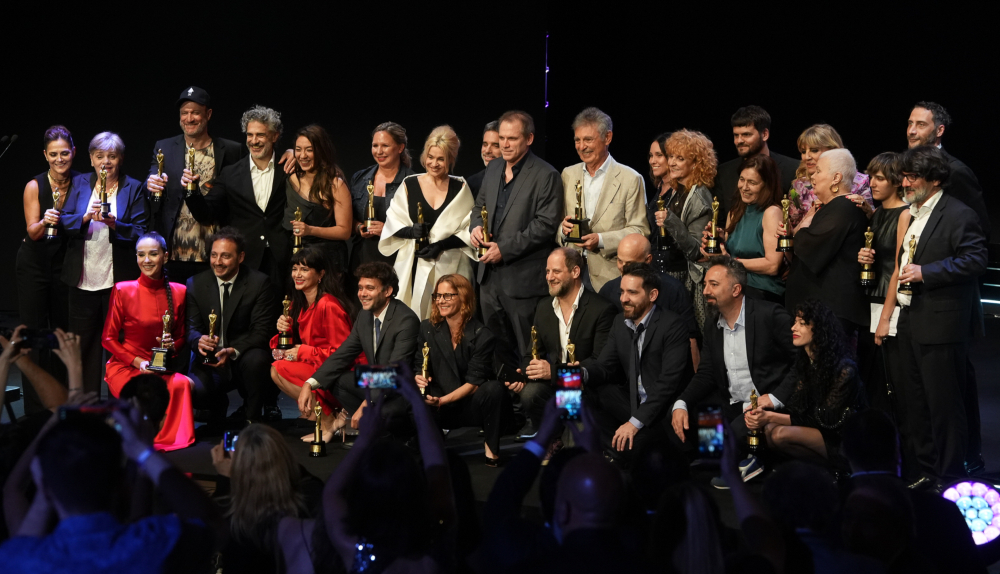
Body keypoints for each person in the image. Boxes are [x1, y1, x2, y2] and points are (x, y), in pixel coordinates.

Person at [0, 404, 222, 572]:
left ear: (45, 487)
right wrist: (143, 451)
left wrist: (46, 487)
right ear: (123, 483)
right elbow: (209, 521)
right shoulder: (156, 544)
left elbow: (15, 504)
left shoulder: (20, 560)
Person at [893, 145, 987, 483]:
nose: (904, 182)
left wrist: (926, 272)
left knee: (945, 408)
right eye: (903, 176)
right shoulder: (916, 212)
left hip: (941, 323)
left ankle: (950, 478)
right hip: (911, 320)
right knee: (916, 405)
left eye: (911, 176)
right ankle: (928, 473)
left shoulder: (958, 213)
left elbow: (976, 260)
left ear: (934, 180)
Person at [671, 257, 796, 487]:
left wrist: (776, 398)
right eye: (706, 284)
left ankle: (756, 459)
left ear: (736, 289)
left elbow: (802, 362)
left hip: (768, 402)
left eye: (714, 285)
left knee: (738, 430)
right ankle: (724, 460)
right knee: (697, 417)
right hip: (734, 402)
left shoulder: (769, 314)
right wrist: (681, 402)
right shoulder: (712, 324)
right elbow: (707, 372)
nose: (706, 290)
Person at [322, 363, 456, 573]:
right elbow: (437, 467)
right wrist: (416, 400)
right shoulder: (435, 549)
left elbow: (331, 492)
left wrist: (364, 439)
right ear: (416, 488)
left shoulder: (354, 549)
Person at [471, 110, 563, 371]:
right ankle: (508, 408)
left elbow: (545, 225)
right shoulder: (494, 167)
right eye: (502, 138)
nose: (504, 144)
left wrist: (505, 249)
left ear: (529, 139)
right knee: (497, 351)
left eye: (512, 138)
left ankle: (532, 407)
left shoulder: (546, 175)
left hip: (522, 281)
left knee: (529, 351)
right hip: (488, 279)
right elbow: (479, 207)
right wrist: (475, 227)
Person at [60, 131, 147, 394]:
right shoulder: (79, 184)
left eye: (112, 156)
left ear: (120, 159)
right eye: (100, 156)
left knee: (119, 345)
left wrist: (114, 224)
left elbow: (141, 232)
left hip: (117, 280)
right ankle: (87, 406)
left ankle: (118, 404)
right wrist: (85, 217)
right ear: (90, 159)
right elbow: (63, 221)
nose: (105, 162)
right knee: (84, 345)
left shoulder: (133, 187)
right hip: (83, 278)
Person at [580, 263, 689, 462]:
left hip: (662, 409)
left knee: (633, 454)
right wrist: (582, 373)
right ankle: (606, 447)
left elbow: (667, 385)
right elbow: (605, 366)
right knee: (584, 388)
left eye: (632, 293)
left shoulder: (673, 325)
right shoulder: (619, 323)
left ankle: (621, 451)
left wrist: (635, 422)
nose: (623, 299)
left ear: (652, 295)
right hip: (631, 403)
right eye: (622, 292)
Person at [509, 248, 616, 440]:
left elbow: (599, 362)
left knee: (574, 444)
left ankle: (569, 444)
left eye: (556, 272)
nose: (549, 277)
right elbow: (530, 355)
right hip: (557, 383)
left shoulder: (602, 309)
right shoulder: (543, 307)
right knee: (530, 393)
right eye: (547, 271)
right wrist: (525, 373)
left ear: (575, 272)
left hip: (586, 385)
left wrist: (554, 372)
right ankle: (554, 438)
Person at [144, 86, 247, 286]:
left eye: (195, 113)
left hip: (214, 254)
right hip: (174, 251)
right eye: (184, 113)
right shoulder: (163, 146)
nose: (189, 118)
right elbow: (152, 177)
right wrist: (149, 184)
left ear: (208, 114)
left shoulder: (231, 150)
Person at [298, 262, 420, 430]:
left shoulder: (406, 320)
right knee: (338, 380)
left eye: (369, 288)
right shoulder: (365, 315)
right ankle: (371, 428)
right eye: (360, 288)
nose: (362, 294)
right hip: (377, 379)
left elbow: (395, 371)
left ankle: (394, 432)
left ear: (387, 291)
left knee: (379, 410)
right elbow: (343, 354)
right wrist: (309, 384)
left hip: (401, 388)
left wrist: (367, 403)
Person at [744, 300, 865, 469]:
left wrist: (770, 416)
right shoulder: (805, 362)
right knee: (769, 430)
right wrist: (761, 416)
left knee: (779, 433)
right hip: (817, 428)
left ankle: (837, 469)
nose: (793, 328)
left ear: (819, 330)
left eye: (802, 324)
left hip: (841, 437)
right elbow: (798, 408)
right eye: (795, 322)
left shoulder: (844, 369)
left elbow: (825, 421)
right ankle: (816, 471)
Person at [102, 232, 194, 452]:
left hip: (160, 368)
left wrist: (173, 346)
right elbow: (108, 338)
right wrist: (137, 363)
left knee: (182, 383)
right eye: (141, 255)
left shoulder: (179, 291)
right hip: (126, 367)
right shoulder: (123, 290)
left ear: (166, 256)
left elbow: (181, 338)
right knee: (143, 392)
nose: (146, 260)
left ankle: (168, 440)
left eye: (153, 254)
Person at [189, 105, 290, 300]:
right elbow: (206, 213)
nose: (254, 141)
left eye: (260, 135)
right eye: (249, 135)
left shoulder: (288, 168)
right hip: (247, 261)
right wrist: (192, 191)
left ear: (275, 136)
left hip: (281, 260)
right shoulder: (230, 173)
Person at [380, 125, 476, 319]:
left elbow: (469, 228)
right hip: (414, 264)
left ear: (451, 159)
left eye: (441, 159)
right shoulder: (410, 184)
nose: (434, 164)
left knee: (449, 319)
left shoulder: (461, 187)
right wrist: (410, 232)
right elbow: (393, 222)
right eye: (430, 157)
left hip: (450, 264)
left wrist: (441, 245)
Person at [186, 227, 280, 426]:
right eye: (214, 255)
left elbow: (262, 331)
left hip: (241, 357)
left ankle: (252, 418)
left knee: (258, 360)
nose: (218, 262)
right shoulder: (195, 283)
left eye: (225, 256)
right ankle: (217, 405)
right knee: (196, 392)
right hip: (209, 359)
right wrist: (198, 341)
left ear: (241, 257)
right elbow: (191, 328)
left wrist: (232, 350)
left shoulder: (259, 283)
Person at [415, 274, 510, 465]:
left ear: (463, 297)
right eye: (438, 296)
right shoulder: (427, 328)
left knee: (494, 389)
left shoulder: (482, 335)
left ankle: (491, 451)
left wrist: (442, 401)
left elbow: (474, 383)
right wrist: (418, 378)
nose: (441, 301)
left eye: (447, 296)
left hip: (467, 405)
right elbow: (419, 364)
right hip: (436, 401)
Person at [16, 126, 78, 414]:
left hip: (64, 264)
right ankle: (35, 410)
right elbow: (33, 232)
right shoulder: (34, 185)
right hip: (35, 264)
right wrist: (44, 221)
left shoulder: (82, 183)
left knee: (62, 333)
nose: (59, 159)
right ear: (45, 155)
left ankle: (63, 405)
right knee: (35, 333)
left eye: (64, 153)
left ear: (73, 152)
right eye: (53, 154)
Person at [270, 246, 358, 443]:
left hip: (341, 376)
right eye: (295, 269)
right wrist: (284, 331)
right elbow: (285, 349)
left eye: (304, 269)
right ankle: (327, 420)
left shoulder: (328, 304)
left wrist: (303, 351)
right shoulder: (298, 303)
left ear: (321, 274)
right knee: (276, 369)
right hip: (320, 367)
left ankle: (329, 423)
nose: (297, 274)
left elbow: (342, 354)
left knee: (280, 368)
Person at [783, 149, 869, 346]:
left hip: (831, 316)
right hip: (820, 313)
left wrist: (803, 225)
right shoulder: (829, 208)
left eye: (819, 171)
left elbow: (807, 246)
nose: (812, 176)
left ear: (836, 178)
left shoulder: (844, 208)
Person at [558, 107, 649, 291]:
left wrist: (600, 239)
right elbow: (558, 222)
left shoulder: (631, 179)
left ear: (607, 138)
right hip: (571, 273)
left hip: (609, 277)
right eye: (577, 140)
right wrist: (562, 230)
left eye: (588, 140)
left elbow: (639, 231)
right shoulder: (568, 174)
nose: (581, 146)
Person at [209, 424, 314, 574]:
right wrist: (279, 459)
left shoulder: (232, 517)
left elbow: (213, 522)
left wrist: (224, 478)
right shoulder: (307, 499)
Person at [856, 152, 909, 411]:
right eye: (871, 177)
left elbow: (899, 267)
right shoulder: (876, 214)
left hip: (890, 304)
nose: (872, 184)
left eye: (879, 178)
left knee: (890, 381)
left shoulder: (905, 214)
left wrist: (886, 318)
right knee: (870, 379)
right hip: (869, 299)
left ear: (897, 181)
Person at [598, 234, 699, 367]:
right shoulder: (608, 291)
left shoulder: (673, 290)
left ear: (648, 259)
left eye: (630, 263)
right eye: (619, 261)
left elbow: (691, 338)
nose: (623, 267)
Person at [650, 129, 715, 331]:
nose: (672, 163)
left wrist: (670, 221)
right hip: (671, 274)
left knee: (694, 336)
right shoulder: (679, 191)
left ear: (695, 163)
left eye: (680, 158)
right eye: (671, 157)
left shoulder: (699, 197)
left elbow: (696, 251)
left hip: (691, 282)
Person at [705, 155, 785, 303]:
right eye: (742, 180)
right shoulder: (735, 212)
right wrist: (717, 242)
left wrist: (732, 262)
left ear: (766, 185)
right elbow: (730, 253)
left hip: (761, 292)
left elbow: (772, 265)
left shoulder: (771, 212)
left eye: (752, 182)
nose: (744, 187)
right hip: (734, 287)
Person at [906, 101, 989, 239]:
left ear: (939, 130)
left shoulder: (955, 171)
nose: (911, 131)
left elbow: (979, 228)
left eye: (921, 124)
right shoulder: (904, 166)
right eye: (910, 123)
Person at [348, 122, 417, 287]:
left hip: (396, 259)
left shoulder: (413, 182)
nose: (379, 151)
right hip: (362, 259)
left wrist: (388, 230)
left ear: (400, 148)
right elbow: (345, 219)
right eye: (375, 145)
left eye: (385, 145)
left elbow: (419, 228)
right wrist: (358, 227)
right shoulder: (359, 179)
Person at [709, 105, 800, 221]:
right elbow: (720, 218)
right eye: (736, 135)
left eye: (746, 135)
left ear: (765, 134)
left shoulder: (793, 169)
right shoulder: (724, 172)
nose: (739, 141)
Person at [285, 124, 352, 278]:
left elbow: (344, 231)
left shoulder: (335, 184)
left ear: (321, 151)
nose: (303, 155)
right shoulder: (291, 179)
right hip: (297, 260)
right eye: (298, 149)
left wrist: (310, 230)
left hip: (326, 262)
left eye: (309, 150)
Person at [786, 124, 874, 229]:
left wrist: (867, 209)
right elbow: (792, 229)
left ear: (832, 150)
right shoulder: (798, 187)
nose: (806, 157)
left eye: (814, 150)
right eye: (803, 152)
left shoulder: (859, 181)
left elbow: (871, 223)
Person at [467, 120, 502, 195]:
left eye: (496, 145)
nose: (487, 150)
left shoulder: (520, 181)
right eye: (485, 144)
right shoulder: (472, 183)